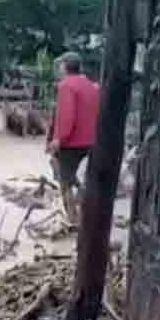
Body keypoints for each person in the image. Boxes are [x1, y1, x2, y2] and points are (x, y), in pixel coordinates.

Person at [45, 52, 99, 226]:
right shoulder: (91, 86)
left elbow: (68, 115)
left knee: (65, 181)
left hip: (71, 142)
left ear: (65, 66)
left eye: (60, 65)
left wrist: (59, 139)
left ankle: (74, 220)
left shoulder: (66, 86)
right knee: (74, 175)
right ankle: (85, 209)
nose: (59, 69)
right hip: (89, 141)